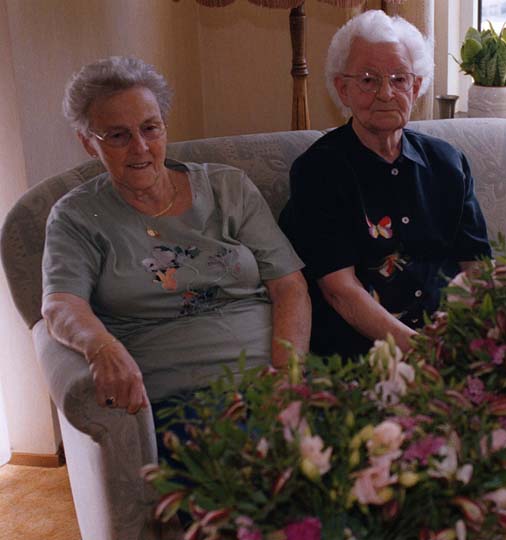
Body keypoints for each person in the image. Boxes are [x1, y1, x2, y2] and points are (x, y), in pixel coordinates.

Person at [42, 56, 311, 453]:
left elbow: (289, 285)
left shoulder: (227, 188)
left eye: (150, 128)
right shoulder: (78, 216)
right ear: (88, 143)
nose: (141, 147)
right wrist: (102, 346)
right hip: (179, 401)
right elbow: (61, 305)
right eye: (117, 135)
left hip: (268, 377)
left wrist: (286, 378)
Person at [280, 10, 491, 359]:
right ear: (342, 89)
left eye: (399, 79)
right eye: (367, 79)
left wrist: (472, 336)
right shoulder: (318, 172)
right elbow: (341, 292)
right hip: (368, 354)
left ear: (417, 86)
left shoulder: (448, 163)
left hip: (451, 342)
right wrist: (422, 351)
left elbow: (478, 267)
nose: (385, 93)